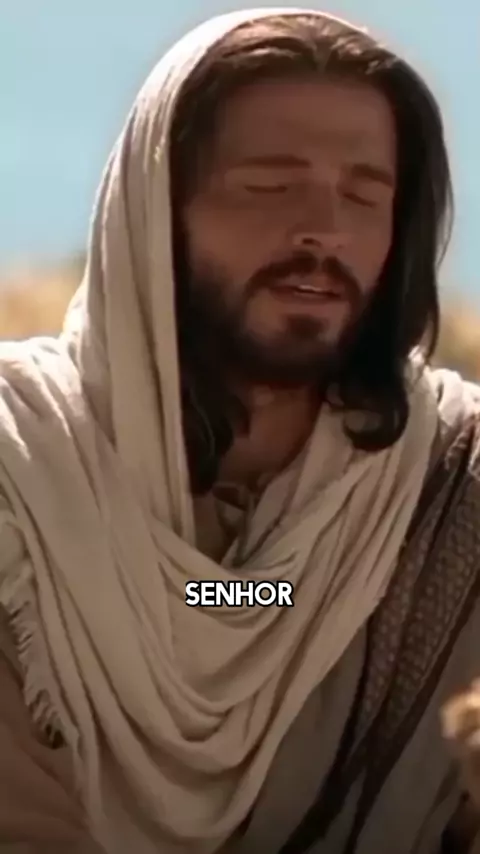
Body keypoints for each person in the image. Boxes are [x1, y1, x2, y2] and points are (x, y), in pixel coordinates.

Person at [0, 7, 479, 854]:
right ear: (155, 210)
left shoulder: (455, 492)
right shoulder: (21, 465)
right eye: (270, 185)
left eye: (365, 195)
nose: (324, 230)